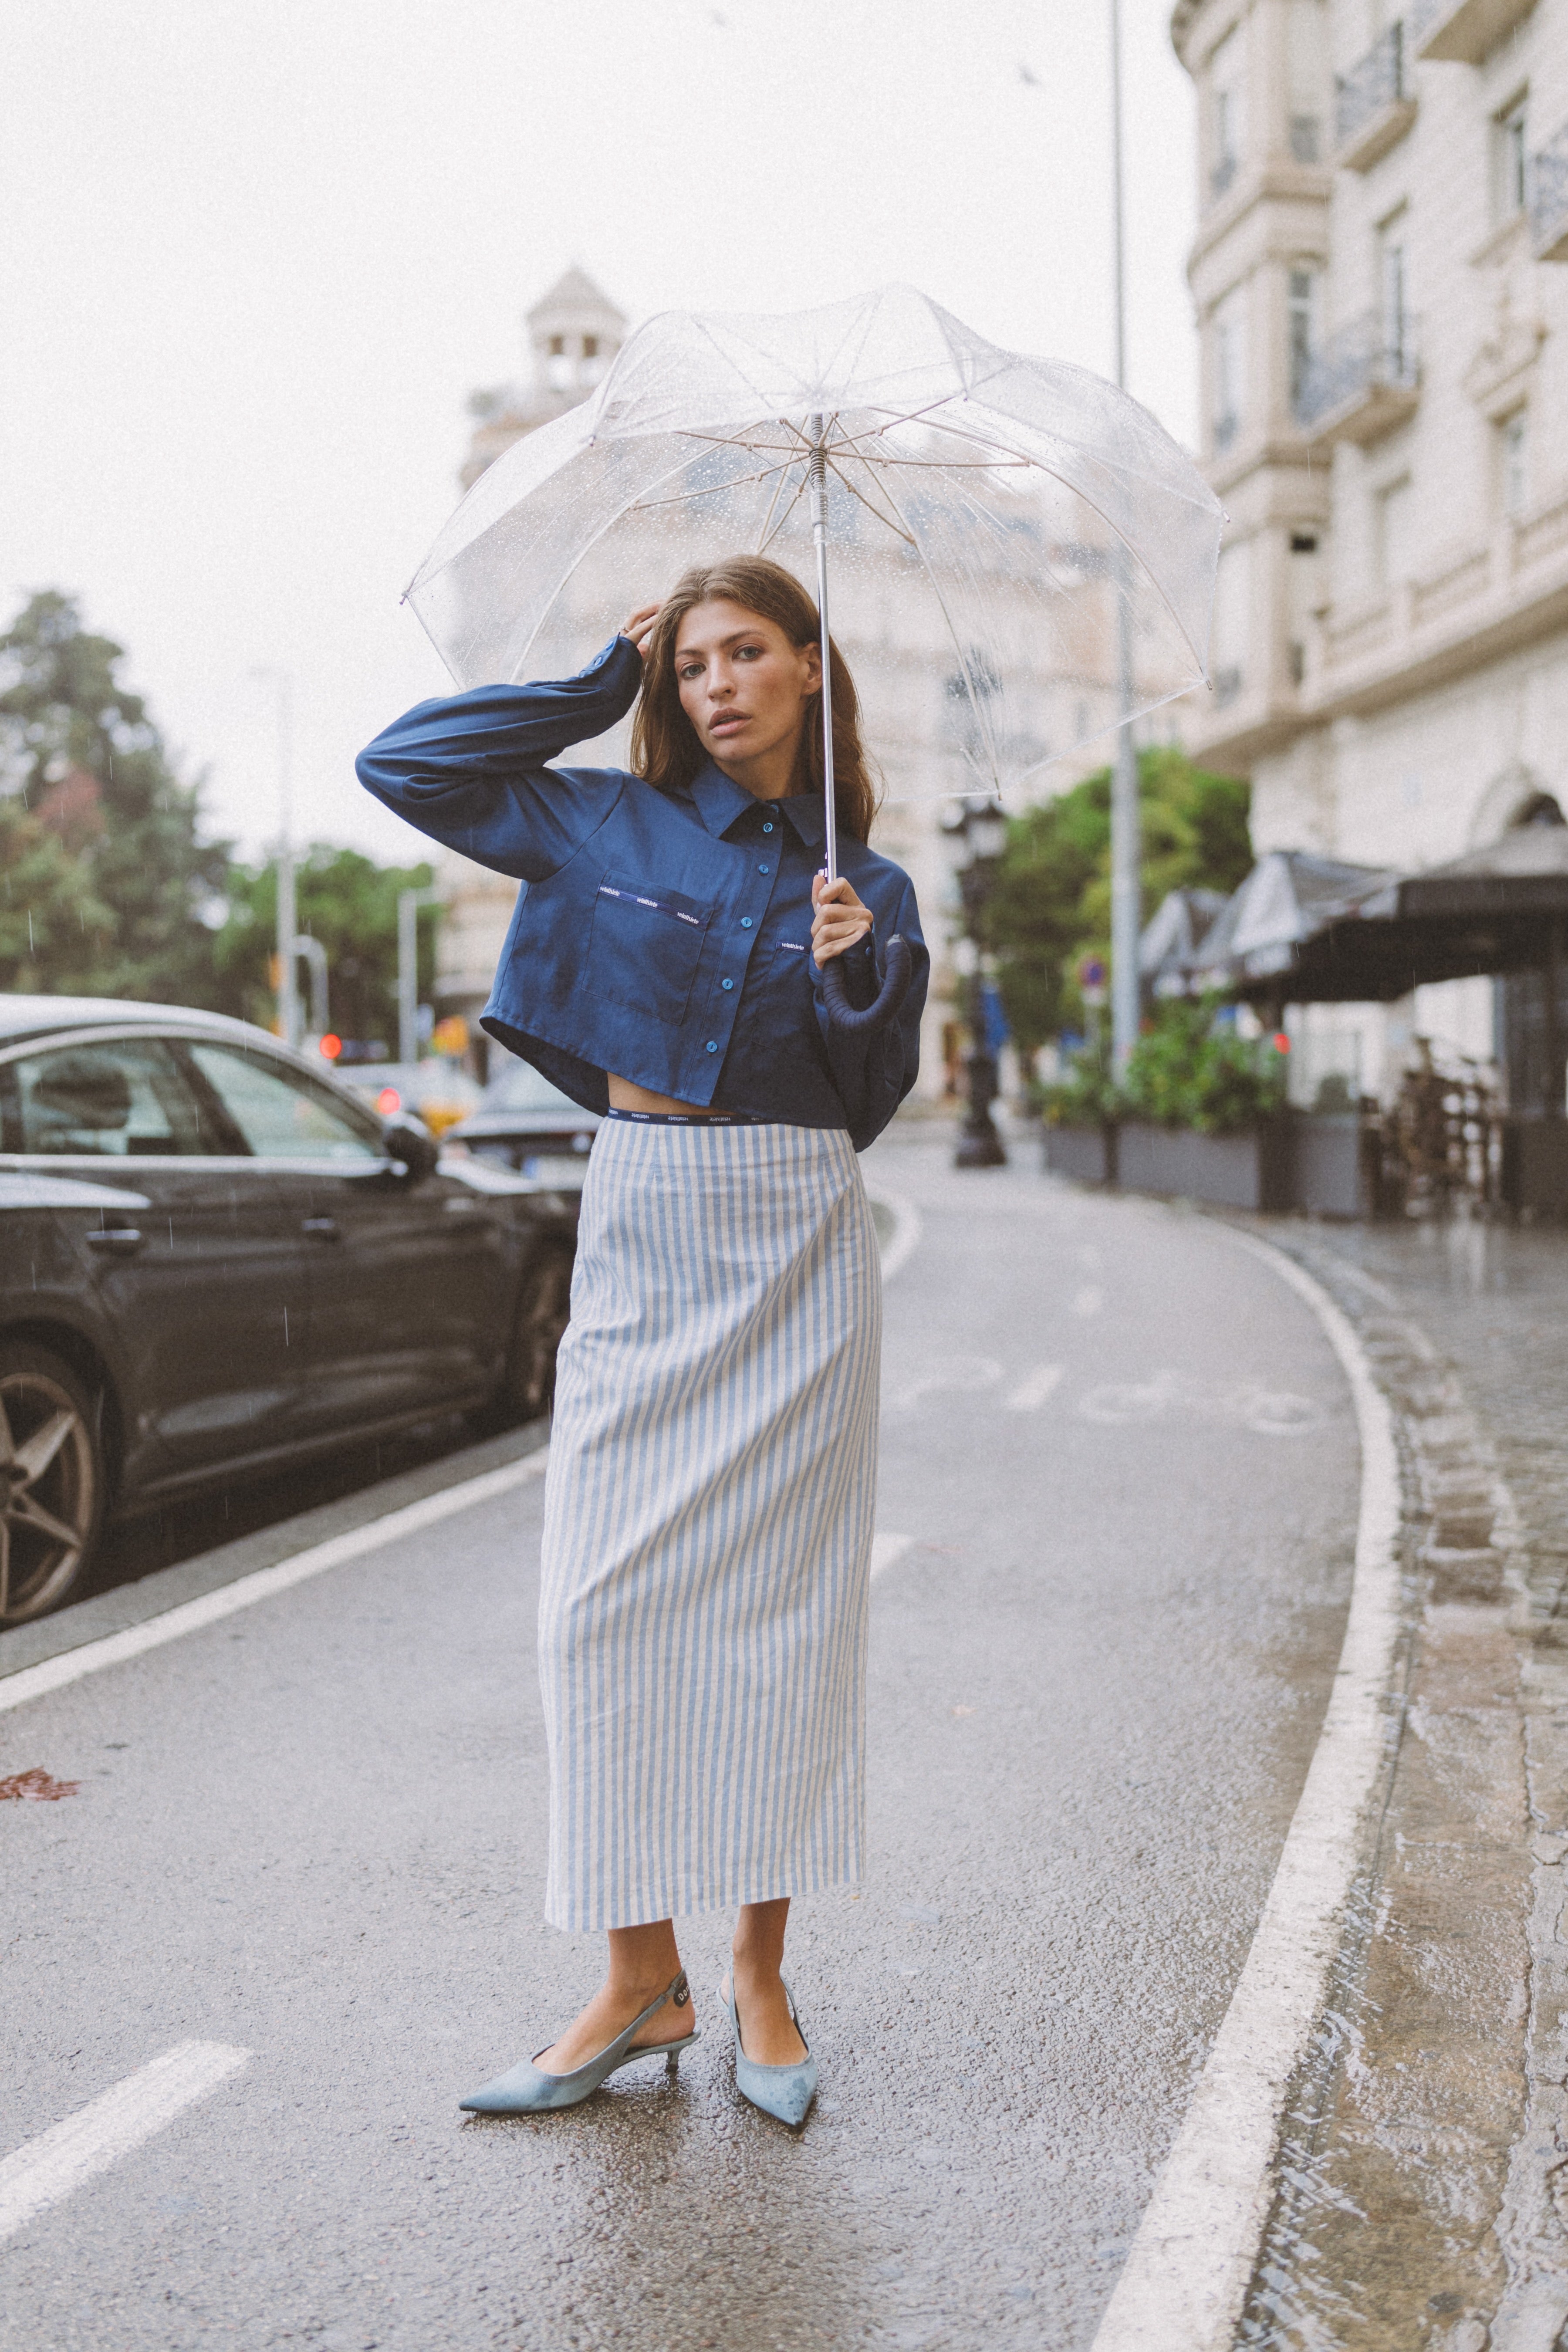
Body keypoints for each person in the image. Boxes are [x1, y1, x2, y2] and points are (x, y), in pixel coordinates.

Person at [357, 554, 928, 2127]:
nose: (717, 685)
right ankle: (637, 1976)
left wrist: (855, 975)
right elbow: (402, 766)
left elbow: (872, 1104)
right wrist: (593, 687)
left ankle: (756, 1973)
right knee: (596, 1611)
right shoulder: (593, 817)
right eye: (691, 665)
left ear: (814, 667)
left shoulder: (864, 889)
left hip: (797, 1232)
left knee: (782, 1622)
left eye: (747, 654)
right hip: (645, 1219)